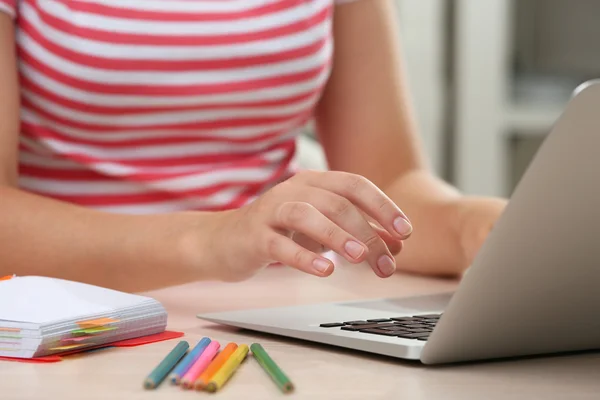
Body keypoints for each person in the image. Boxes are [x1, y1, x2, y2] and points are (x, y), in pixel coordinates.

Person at [0, 0, 506, 292]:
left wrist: (478, 229)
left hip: (267, 314)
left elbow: (385, 184)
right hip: (64, 320)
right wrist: (215, 240)